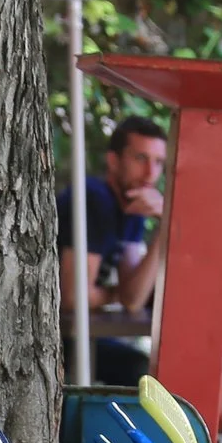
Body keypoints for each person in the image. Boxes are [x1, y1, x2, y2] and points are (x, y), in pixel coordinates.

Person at [59, 117, 168, 387]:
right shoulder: (94, 199)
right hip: (47, 336)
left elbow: (132, 298)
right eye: (140, 158)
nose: (150, 172)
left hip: (81, 335)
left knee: (144, 369)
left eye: (158, 162)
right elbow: (73, 297)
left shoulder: (132, 207)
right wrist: (114, 293)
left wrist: (167, 224)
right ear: (113, 161)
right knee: (137, 370)